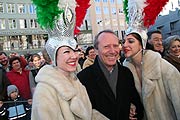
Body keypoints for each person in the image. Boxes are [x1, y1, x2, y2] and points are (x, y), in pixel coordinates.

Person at [31, 1, 108, 120]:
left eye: (75, 50)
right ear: (54, 56)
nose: (74, 56)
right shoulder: (44, 92)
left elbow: (87, 114)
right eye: (67, 51)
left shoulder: (75, 81)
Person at [77, 30, 144, 120]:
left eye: (115, 46)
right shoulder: (84, 78)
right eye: (106, 46)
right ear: (96, 50)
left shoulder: (126, 73)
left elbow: (136, 102)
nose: (112, 51)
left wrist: (133, 108)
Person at [123, 32, 180, 120]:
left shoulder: (163, 67)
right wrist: (130, 106)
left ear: (141, 45)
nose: (124, 45)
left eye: (130, 41)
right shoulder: (126, 71)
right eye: (123, 41)